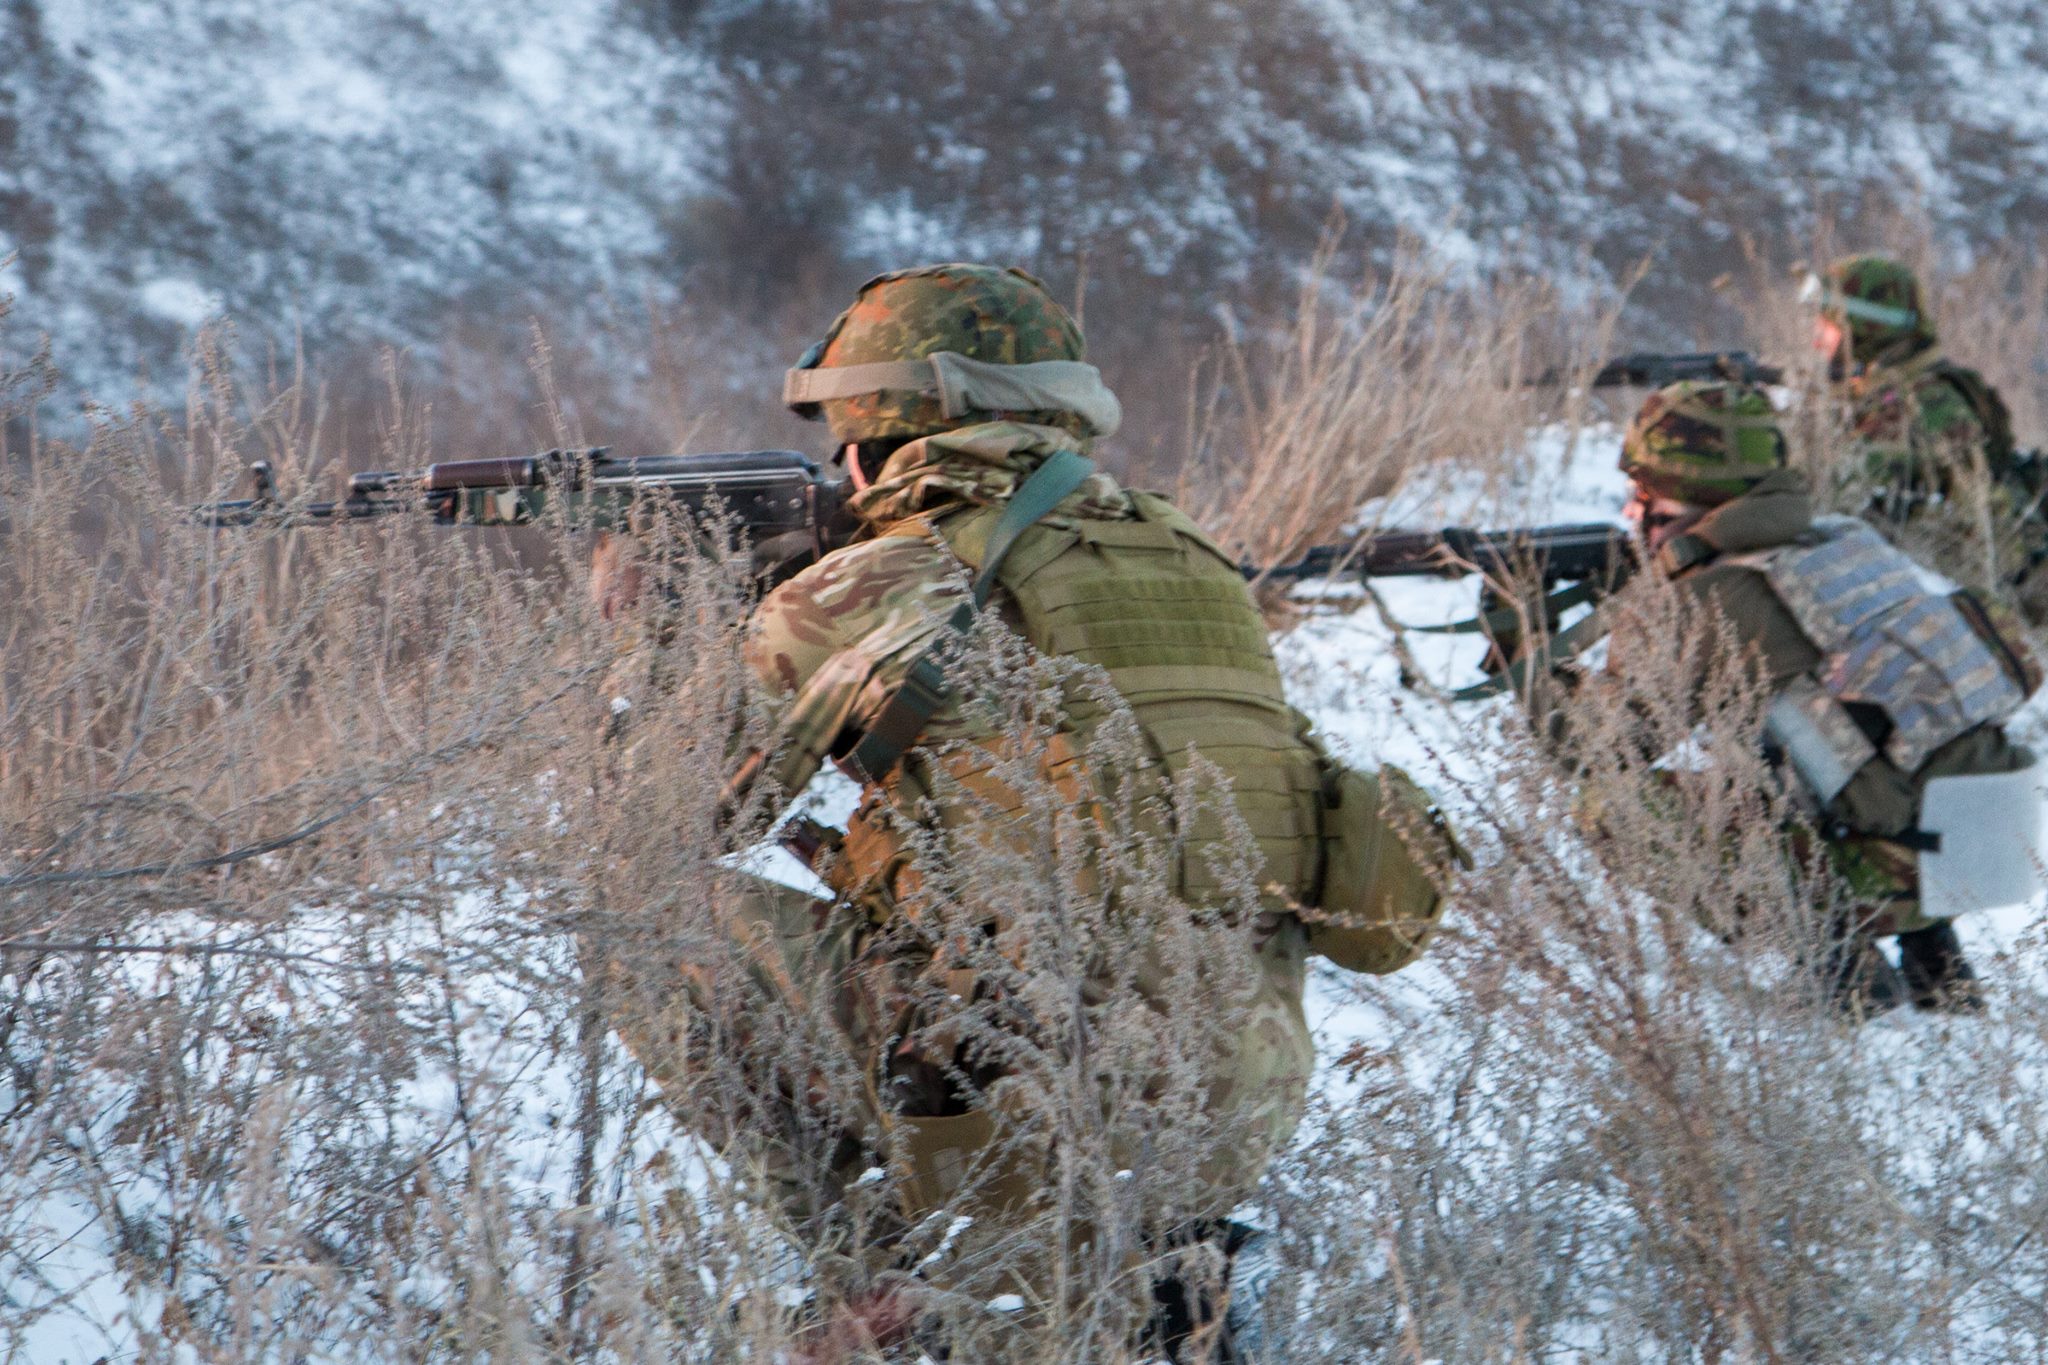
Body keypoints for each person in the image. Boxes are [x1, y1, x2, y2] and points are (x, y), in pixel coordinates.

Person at [600, 263, 1458, 1361]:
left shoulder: (863, 584)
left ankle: (913, 1285)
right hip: (1241, 1096)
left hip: (1041, 1106)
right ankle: (1123, 1275)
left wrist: (652, 628)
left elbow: (665, 813)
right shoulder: (1183, 558)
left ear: (876, 427)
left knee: (632, 915)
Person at [1605, 378, 2041, 1015]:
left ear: (1680, 503)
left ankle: (1839, 963)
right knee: (1820, 744)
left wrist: (1522, 647)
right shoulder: (1840, 539)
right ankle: (1936, 964)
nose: (1627, 516)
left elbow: (1603, 746)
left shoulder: (1708, 598)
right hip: (1985, 844)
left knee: (1607, 803)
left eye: (1642, 499)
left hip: (1890, 864)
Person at [1806, 253, 2040, 584]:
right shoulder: (1896, 387)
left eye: (1827, 327)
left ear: (1863, 329)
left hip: (1980, 585)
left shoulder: (1920, 401)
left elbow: (1845, 487)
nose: (1818, 340)